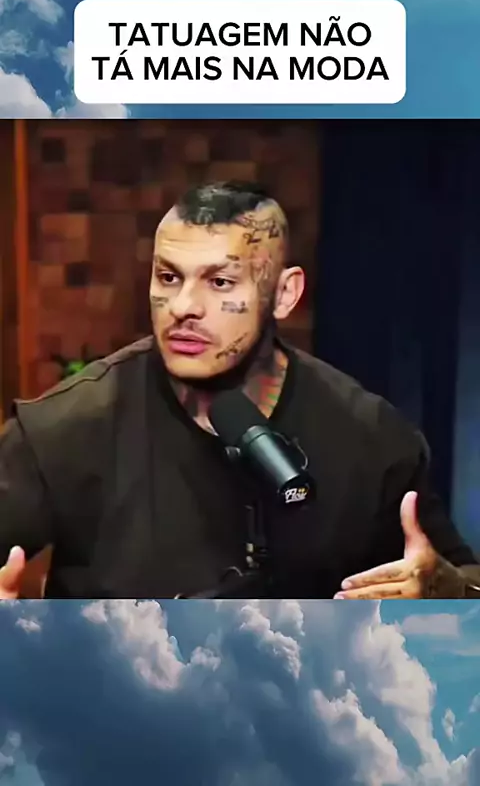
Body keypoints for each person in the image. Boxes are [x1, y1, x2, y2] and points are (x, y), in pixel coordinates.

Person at [0, 180, 479, 600]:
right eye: (168, 277)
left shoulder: (370, 438)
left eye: (220, 282)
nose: (183, 306)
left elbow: (464, 582)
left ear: (285, 294)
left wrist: (448, 591)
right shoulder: (64, 428)